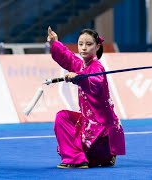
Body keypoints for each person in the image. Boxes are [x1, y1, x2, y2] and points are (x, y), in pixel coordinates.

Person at [47, 26, 125, 169]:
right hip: (90, 127)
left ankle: (94, 157)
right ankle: (80, 159)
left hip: (101, 134)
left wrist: (79, 79)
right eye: (80, 44)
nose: (83, 48)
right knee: (62, 117)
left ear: (97, 46)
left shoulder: (97, 68)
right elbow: (68, 58)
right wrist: (55, 43)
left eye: (88, 44)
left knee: (74, 145)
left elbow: (95, 84)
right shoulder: (81, 65)